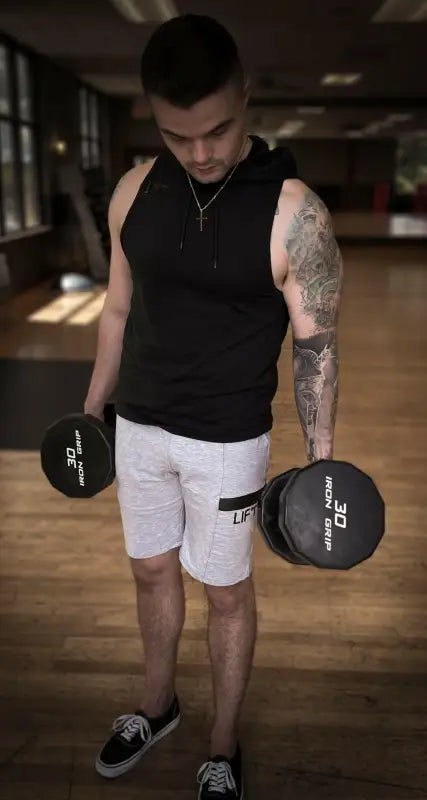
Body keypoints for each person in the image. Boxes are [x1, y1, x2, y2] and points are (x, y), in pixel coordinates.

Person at [84, 13, 343, 800]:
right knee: (149, 572)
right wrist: (93, 409)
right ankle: (156, 707)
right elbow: (117, 312)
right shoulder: (134, 190)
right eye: (176, 135)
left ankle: (222, 745)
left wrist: (321, 461)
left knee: (225, 593)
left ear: (246, 96)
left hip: (228, 442)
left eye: (218, 131)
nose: (198, 153)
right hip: (139, 426)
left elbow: (316, 345)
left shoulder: (294, 212)